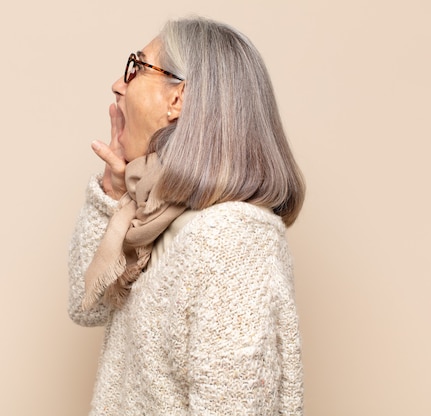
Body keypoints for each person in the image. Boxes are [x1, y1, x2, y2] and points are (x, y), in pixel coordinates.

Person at [68, 16, 305, 415]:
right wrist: (112, 192)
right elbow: (86, 304)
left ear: (177, 99)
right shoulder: (153, 217)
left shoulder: (232, 240)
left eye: (137, 67)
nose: (117, 84)